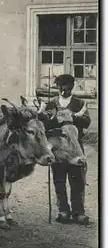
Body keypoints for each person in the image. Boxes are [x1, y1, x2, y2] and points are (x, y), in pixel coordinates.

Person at [44, 74, 91, 226]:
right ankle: (63, 210)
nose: (64, 89)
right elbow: (45, 124)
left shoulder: (79, 103)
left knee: (77, 180)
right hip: (59, 149)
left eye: (67, 86)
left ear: (72, 86)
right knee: (59, 180)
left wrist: (73, 117)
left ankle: (79, 212)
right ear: (57, 87)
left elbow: (87, 122)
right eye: (61, 85)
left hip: (75, 147)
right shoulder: (51, 103)